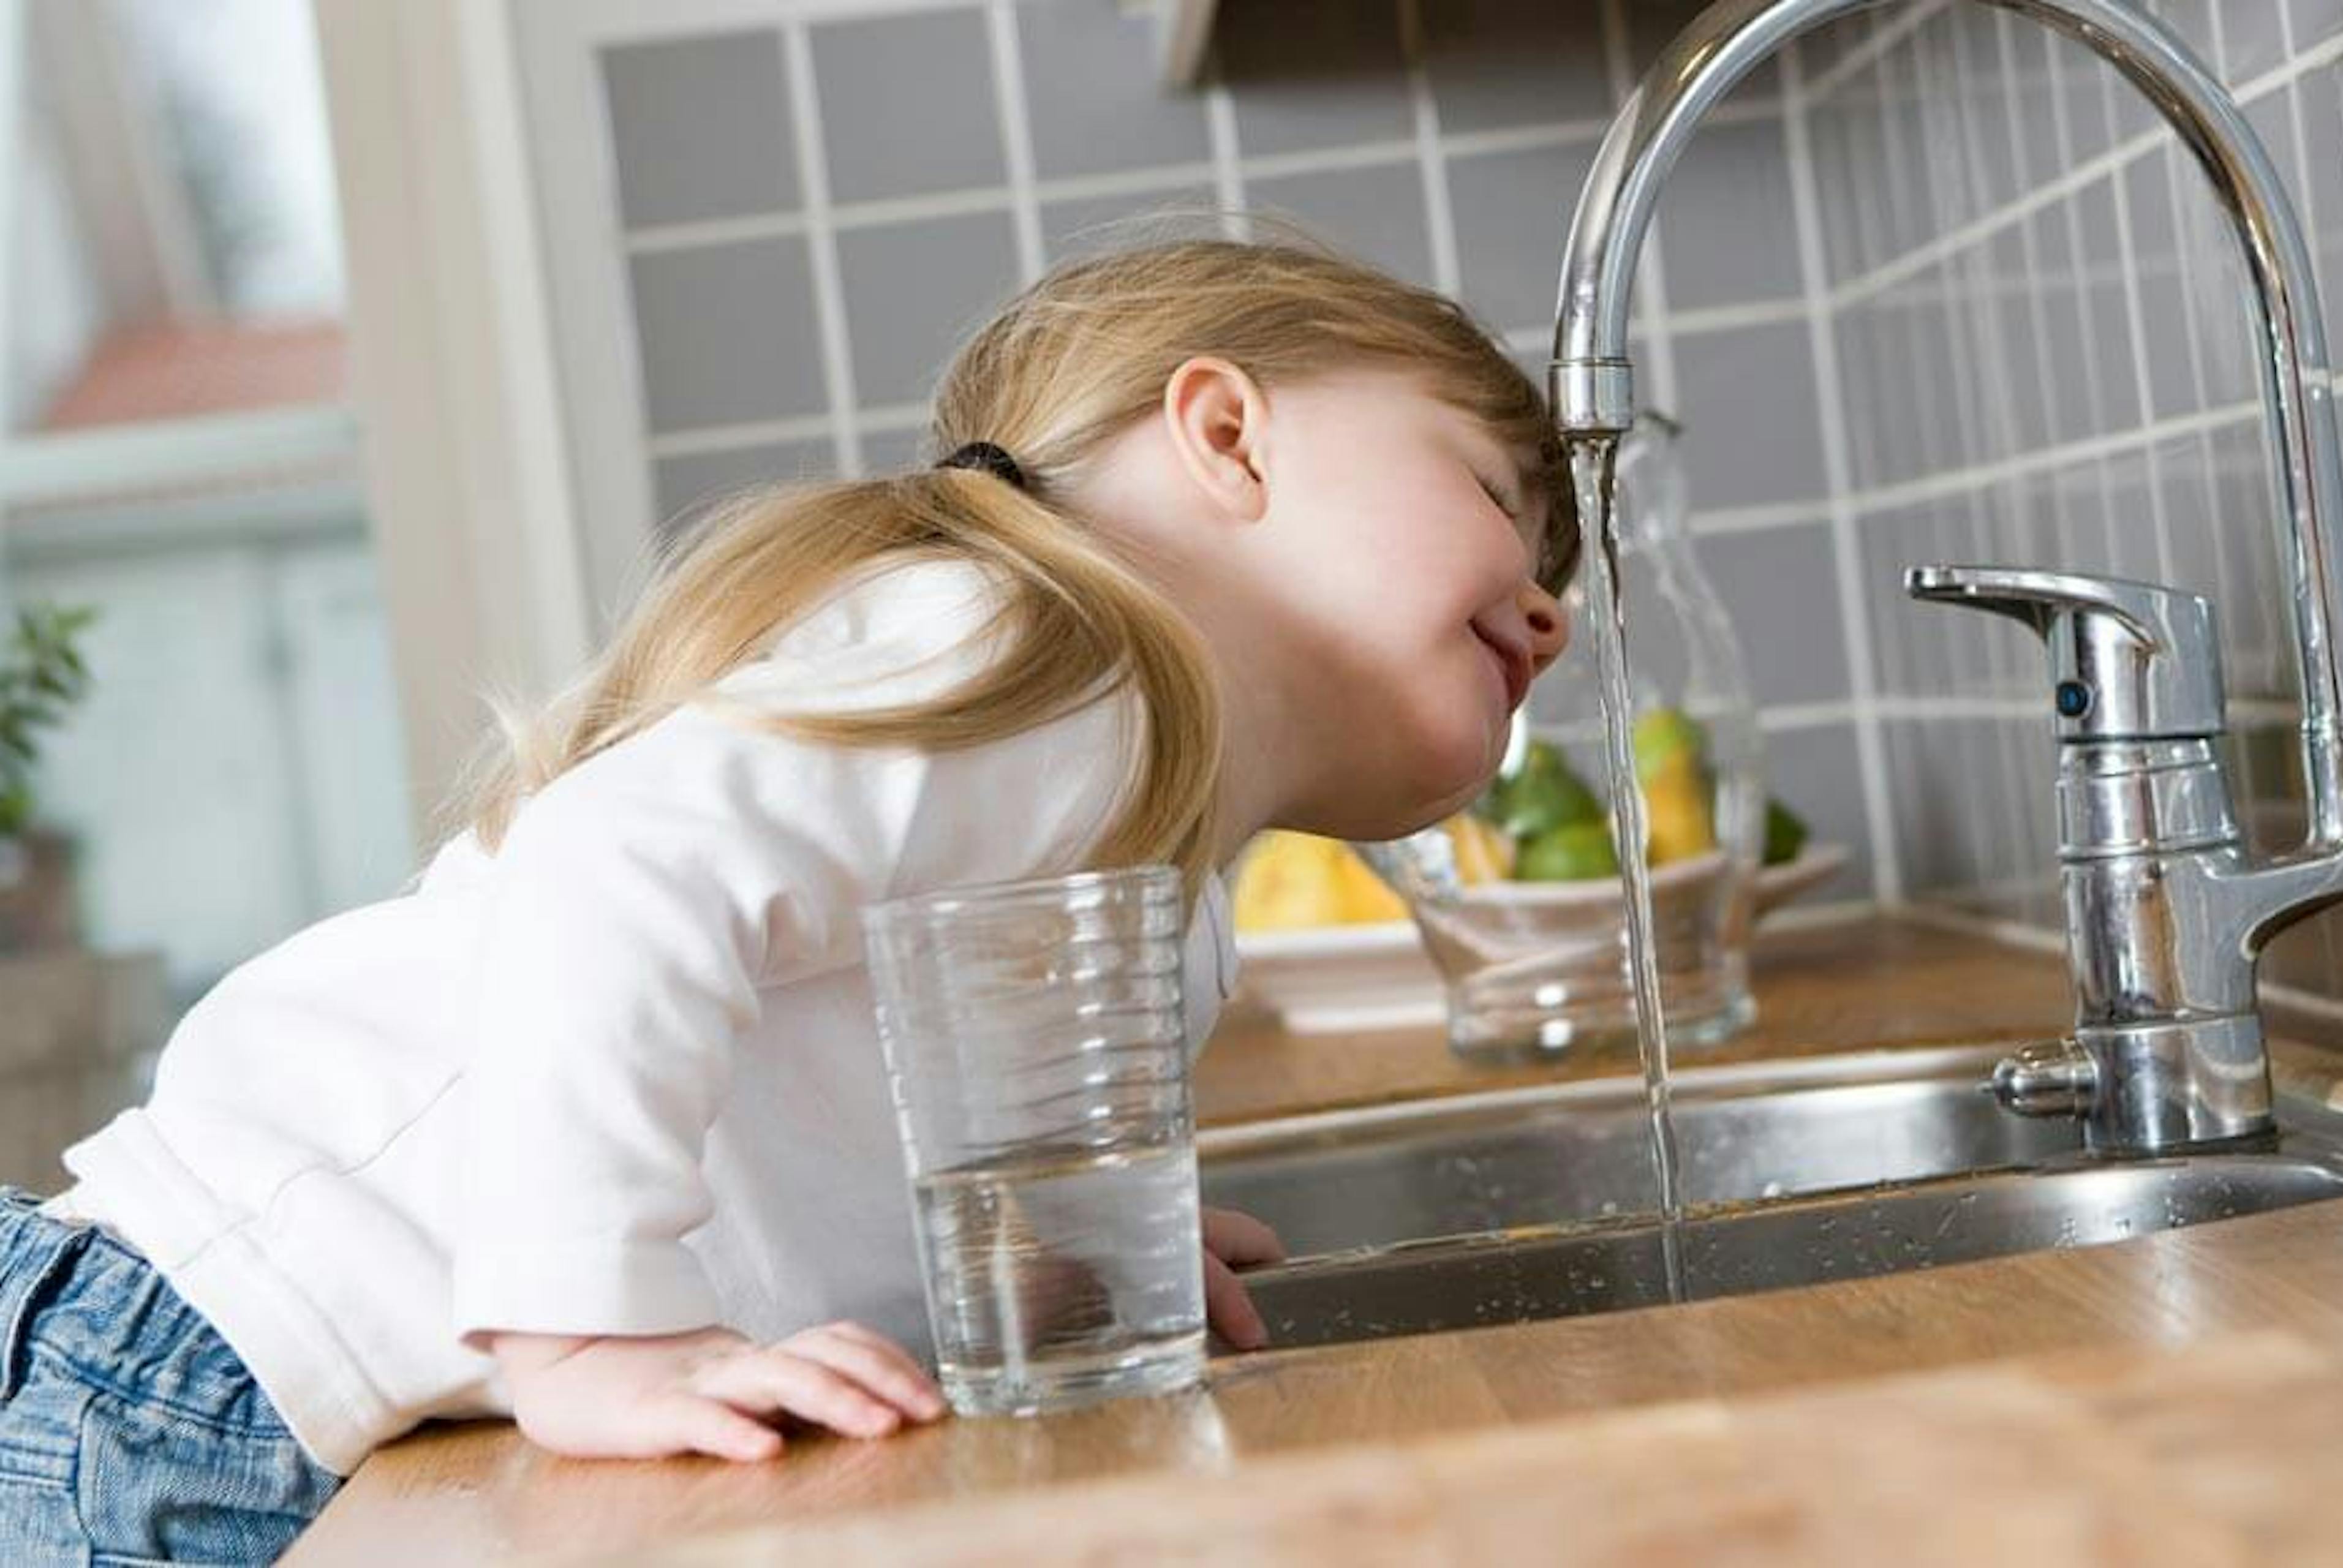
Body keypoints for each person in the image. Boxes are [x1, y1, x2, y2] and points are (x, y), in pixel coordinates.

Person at [0, 227, 1575, 1561]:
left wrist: (1062, 1244)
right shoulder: (1049, 664)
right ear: (1229, 434)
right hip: (168, 1363)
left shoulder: (1150, 850)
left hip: (244, 1379)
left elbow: (818, 1104)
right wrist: (595, 1327)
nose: (1553, 605)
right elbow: (615, 870)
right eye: (1504, 500)